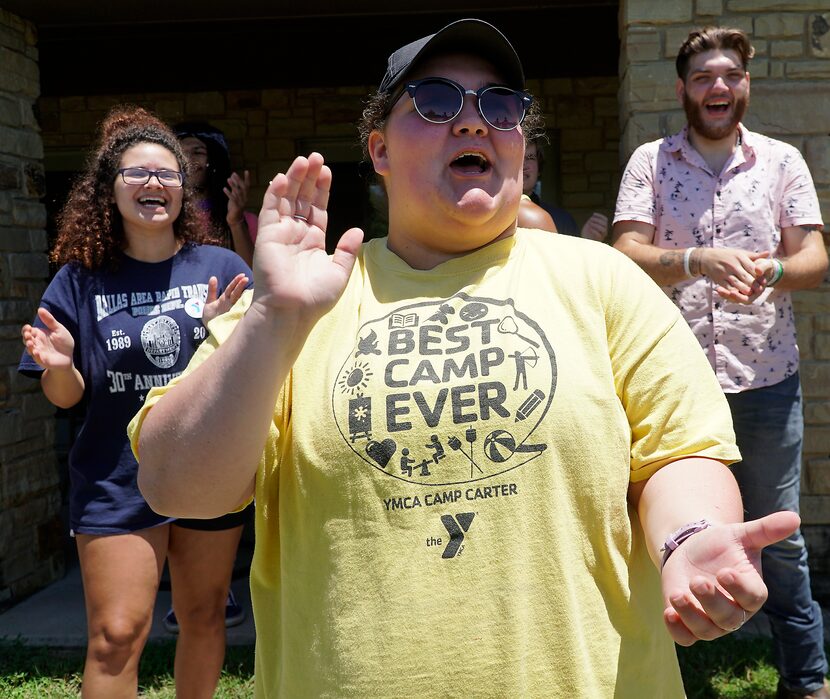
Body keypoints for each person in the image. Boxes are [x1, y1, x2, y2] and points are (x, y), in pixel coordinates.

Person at [130, 18, 801, 698]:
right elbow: (175, 484)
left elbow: (679, 452)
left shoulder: (602, 279)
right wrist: (273, 321)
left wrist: (691, 536)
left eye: (500, 106)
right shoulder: (301, 297)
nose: (475, 121)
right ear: (380, 148)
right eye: (437, 101)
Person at [612, 25, 829, 699]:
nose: (717, 87)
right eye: (704, 77)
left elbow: (814, 260)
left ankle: (809, 679)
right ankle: (652, 676)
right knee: (658, 539)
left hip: (765, 381)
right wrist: (692, 261)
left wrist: (773, 270)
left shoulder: (782, 162)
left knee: (781, 540)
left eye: (729, 75)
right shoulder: (651, 161)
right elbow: (624, 251)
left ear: (745, 86)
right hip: (668, 387)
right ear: (683, 89)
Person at [19, 105, 251, 698]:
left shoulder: (221, 269)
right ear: (109, 189)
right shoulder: (79, 280)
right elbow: (65, 397)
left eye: (168, 175)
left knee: (202, 619)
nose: (155, 184)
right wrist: (62, 366)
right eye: (137, 174)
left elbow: (251, 380)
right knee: (116, 635)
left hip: (206, 473)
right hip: (115, 480)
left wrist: (224, 333)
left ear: (183, 188)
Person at [173, 121, 257, 267]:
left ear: (213, 162)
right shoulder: (164, 218)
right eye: (181, 153)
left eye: (197, 152)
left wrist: (236, 222)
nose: (187, 160)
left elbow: (252, 275)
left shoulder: (247, 222)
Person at [524, 134, 609, 241]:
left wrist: (586, 240)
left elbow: (574, 257)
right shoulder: (497, 216)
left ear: (539, 168)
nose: (524, 165)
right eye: (517, 157)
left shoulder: (562, 220)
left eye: (530, 158)